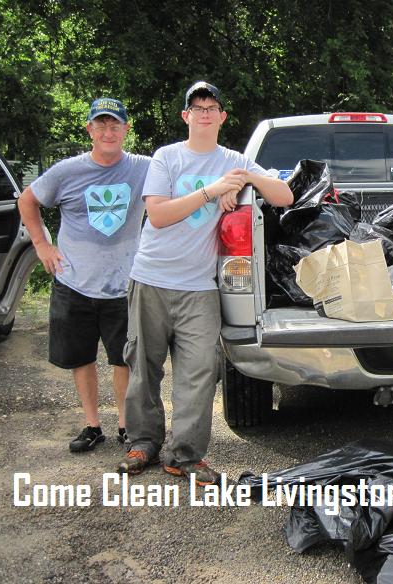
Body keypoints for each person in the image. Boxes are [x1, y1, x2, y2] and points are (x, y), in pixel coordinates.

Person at [117, 81, 293, 485]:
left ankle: (186, 455)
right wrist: (213, 192)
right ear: (186, 116)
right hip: (152, 279)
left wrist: (247, 178)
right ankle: (143, 443)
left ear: (222, 116)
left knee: (199, 373)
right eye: (197, 107)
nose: (205, 113)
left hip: (200, 287)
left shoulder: (234, 159)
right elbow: (159, 215)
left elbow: (283, 196)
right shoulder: (167, 158)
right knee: (143, 366)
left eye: (212, 106)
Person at [17, 98, 150, 452]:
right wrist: (42, 245)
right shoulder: (66, 171)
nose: (108, 132)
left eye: (115, 125)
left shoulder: (143, 168)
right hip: (74, 282)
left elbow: (185, 174)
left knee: (123, 358)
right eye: (101, 125)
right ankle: (92, 425)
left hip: (124, 283)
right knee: (81, 357)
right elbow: (27, 201)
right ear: (89, 129)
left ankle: (125, 425)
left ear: (126, 129)